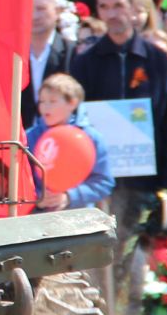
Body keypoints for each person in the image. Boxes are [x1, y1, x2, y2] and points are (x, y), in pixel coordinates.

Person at [73, 0, 167, 196]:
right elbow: (76, 123)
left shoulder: (158, 60)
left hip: (150, 185)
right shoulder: (85, 63)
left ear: (134, 8)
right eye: (104, 7)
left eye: (118, 5)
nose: (111, 14)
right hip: (100, 185)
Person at [27, 73, 114, 211]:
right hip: (37, 216)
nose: (45, 107)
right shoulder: (29, 137)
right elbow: (19, 179)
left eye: (53, 101)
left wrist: (70, 196)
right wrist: (35, 197)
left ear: (72, 103)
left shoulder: (91, 138)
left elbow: (103, 182)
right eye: (42, 101)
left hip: (80, 216)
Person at [22, 0, 75, 126]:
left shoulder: (72, 52)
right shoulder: (14, 56)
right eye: (29, 9)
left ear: (57, 11)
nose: (35, 16)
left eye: (41, 9)